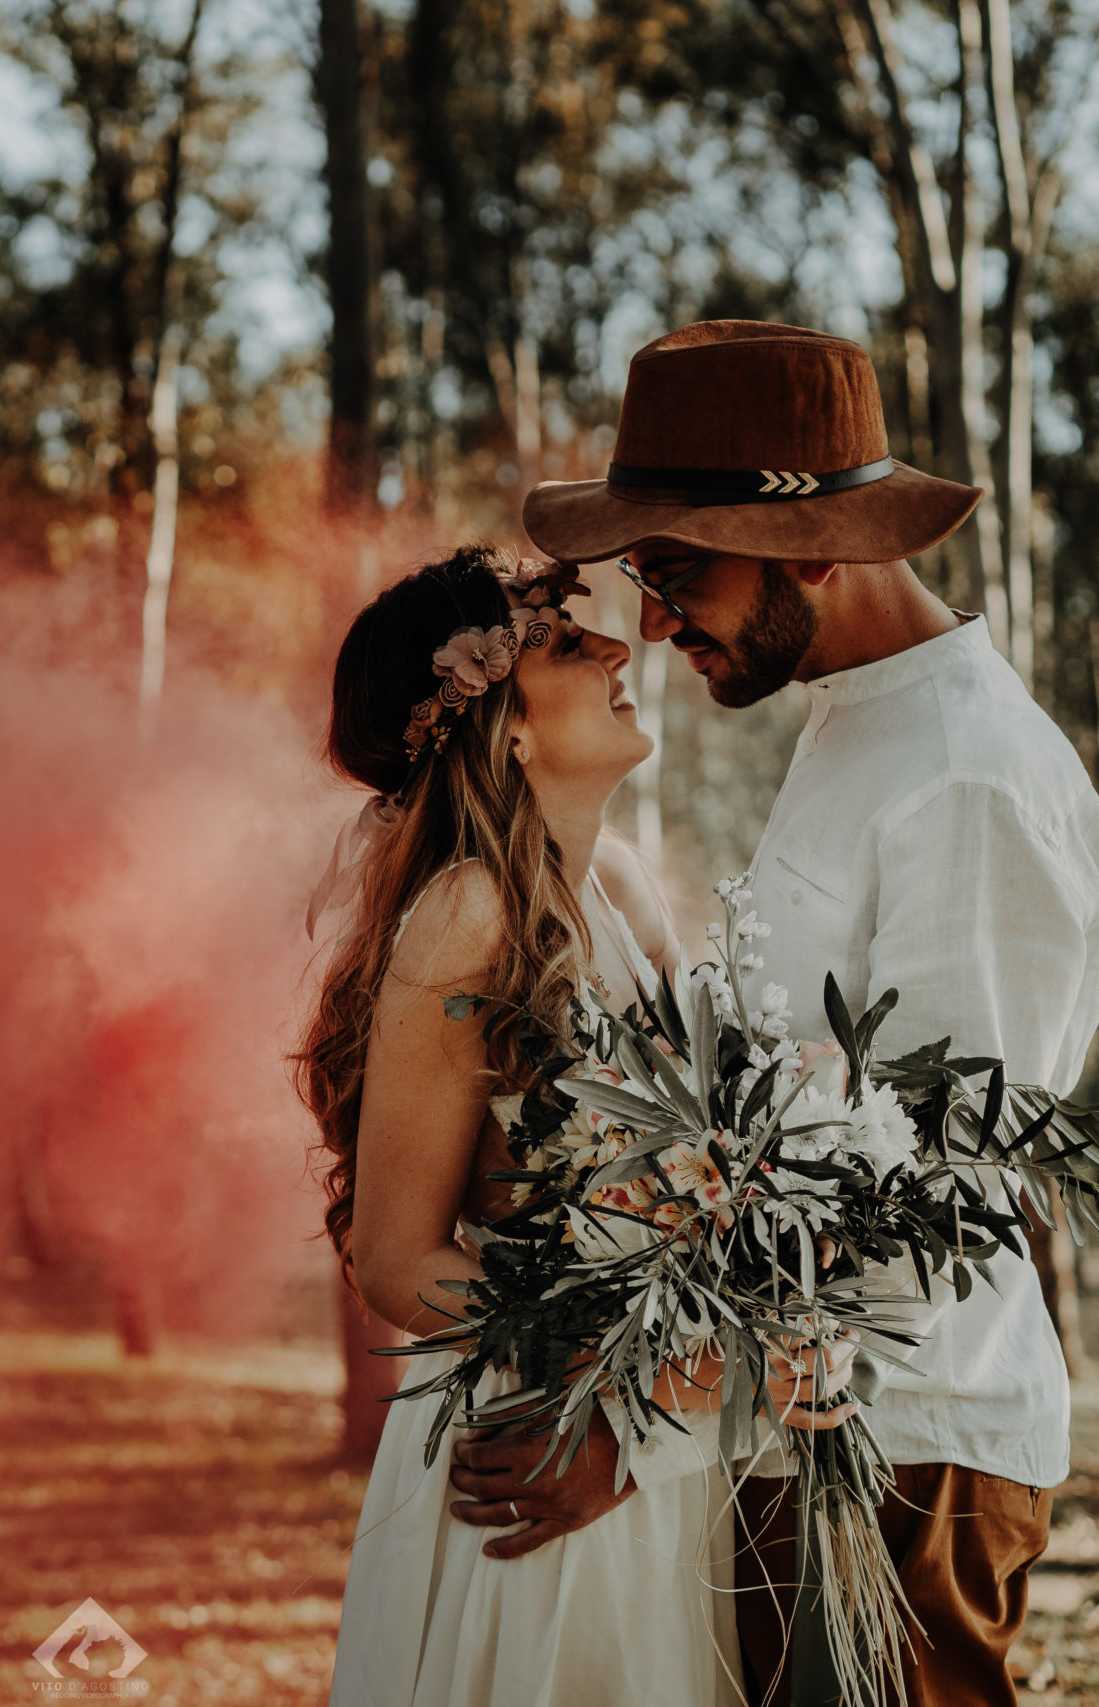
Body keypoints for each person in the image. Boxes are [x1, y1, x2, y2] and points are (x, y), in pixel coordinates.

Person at [439, 318, 1099, 1707]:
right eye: (640, 572)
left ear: (814, 544)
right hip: (788, 1440)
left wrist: (633, 1427)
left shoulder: (970, 781)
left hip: (900, 1459)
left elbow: (940, 1200)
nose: (651, 616)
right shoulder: (852, 723)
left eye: (678, 567)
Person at [303, 542, 858, 1707]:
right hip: (539, 1451)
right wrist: (626, 1372)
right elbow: (395, 1256)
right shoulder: (466, 915)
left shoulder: (615, 884)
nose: (616, 645)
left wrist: (750, 1310)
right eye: (564, 641)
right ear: (500, 727)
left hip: (637, 1447)